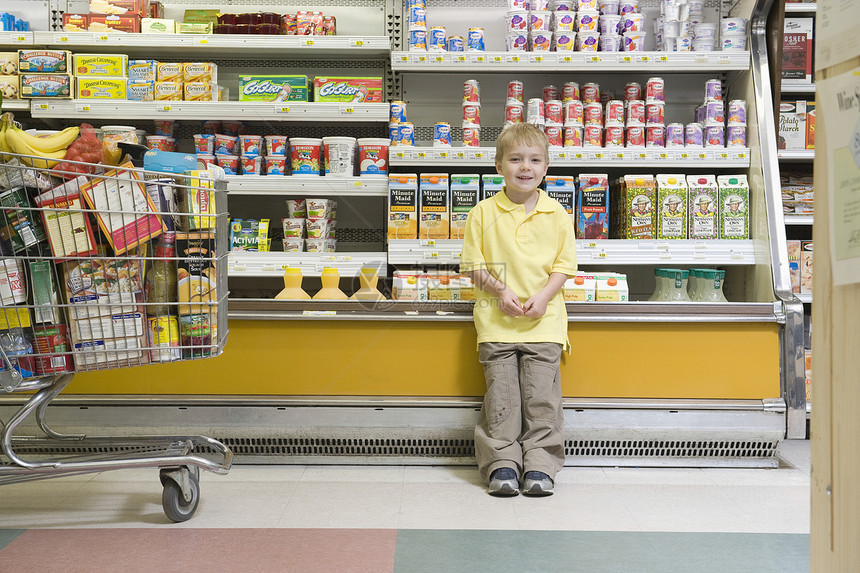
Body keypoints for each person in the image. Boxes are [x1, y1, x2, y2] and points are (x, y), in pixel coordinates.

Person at [460, 123, 577, 497]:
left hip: (545, 325)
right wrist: (500, 289)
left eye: (534, 160)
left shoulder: (557, 213)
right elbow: (473, 265)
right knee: (502, 401)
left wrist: (543, 297)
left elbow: (564, 266)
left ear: (546, 168)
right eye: (515, 159)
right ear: (498, 166)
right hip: (496, 324)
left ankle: (541, 466)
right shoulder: (482, 212)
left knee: (542, 399)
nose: (525, 167)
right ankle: (502, 465)